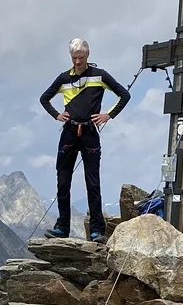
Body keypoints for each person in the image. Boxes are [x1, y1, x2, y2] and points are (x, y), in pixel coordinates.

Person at [38, 37, 131, 243]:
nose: (77, 62)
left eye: (80, 57)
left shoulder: (100, 75)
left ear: (88, 55)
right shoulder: (63, 78)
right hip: (69, 132)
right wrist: (56, 115)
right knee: (63, 181)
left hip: (90, 133)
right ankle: (62, 227)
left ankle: (97, 230)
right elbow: (44, 98)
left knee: (92, 182)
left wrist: (108, 115)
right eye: (74, 58)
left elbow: (124, 95)